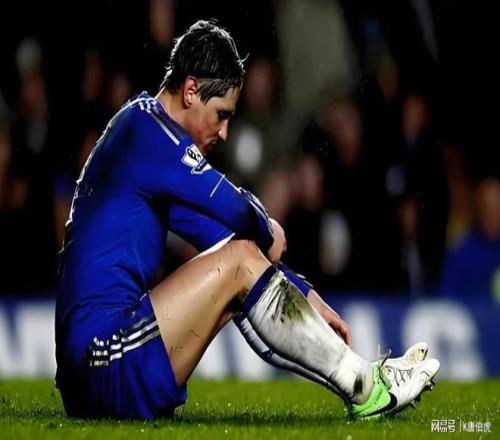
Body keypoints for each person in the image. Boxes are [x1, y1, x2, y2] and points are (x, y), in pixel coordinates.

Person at [55, 20, 439, 420]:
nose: (224, 132)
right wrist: (267, 225)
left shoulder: (145, 146)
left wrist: (306, 296)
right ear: (190, 91)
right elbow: (235, 211)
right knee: (238, 261)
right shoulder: (147, 131)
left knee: (238, 267)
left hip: (98, 369)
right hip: (102, 361)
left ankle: (364, 383)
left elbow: (221, 235)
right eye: (221, 114)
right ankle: (366, 386)